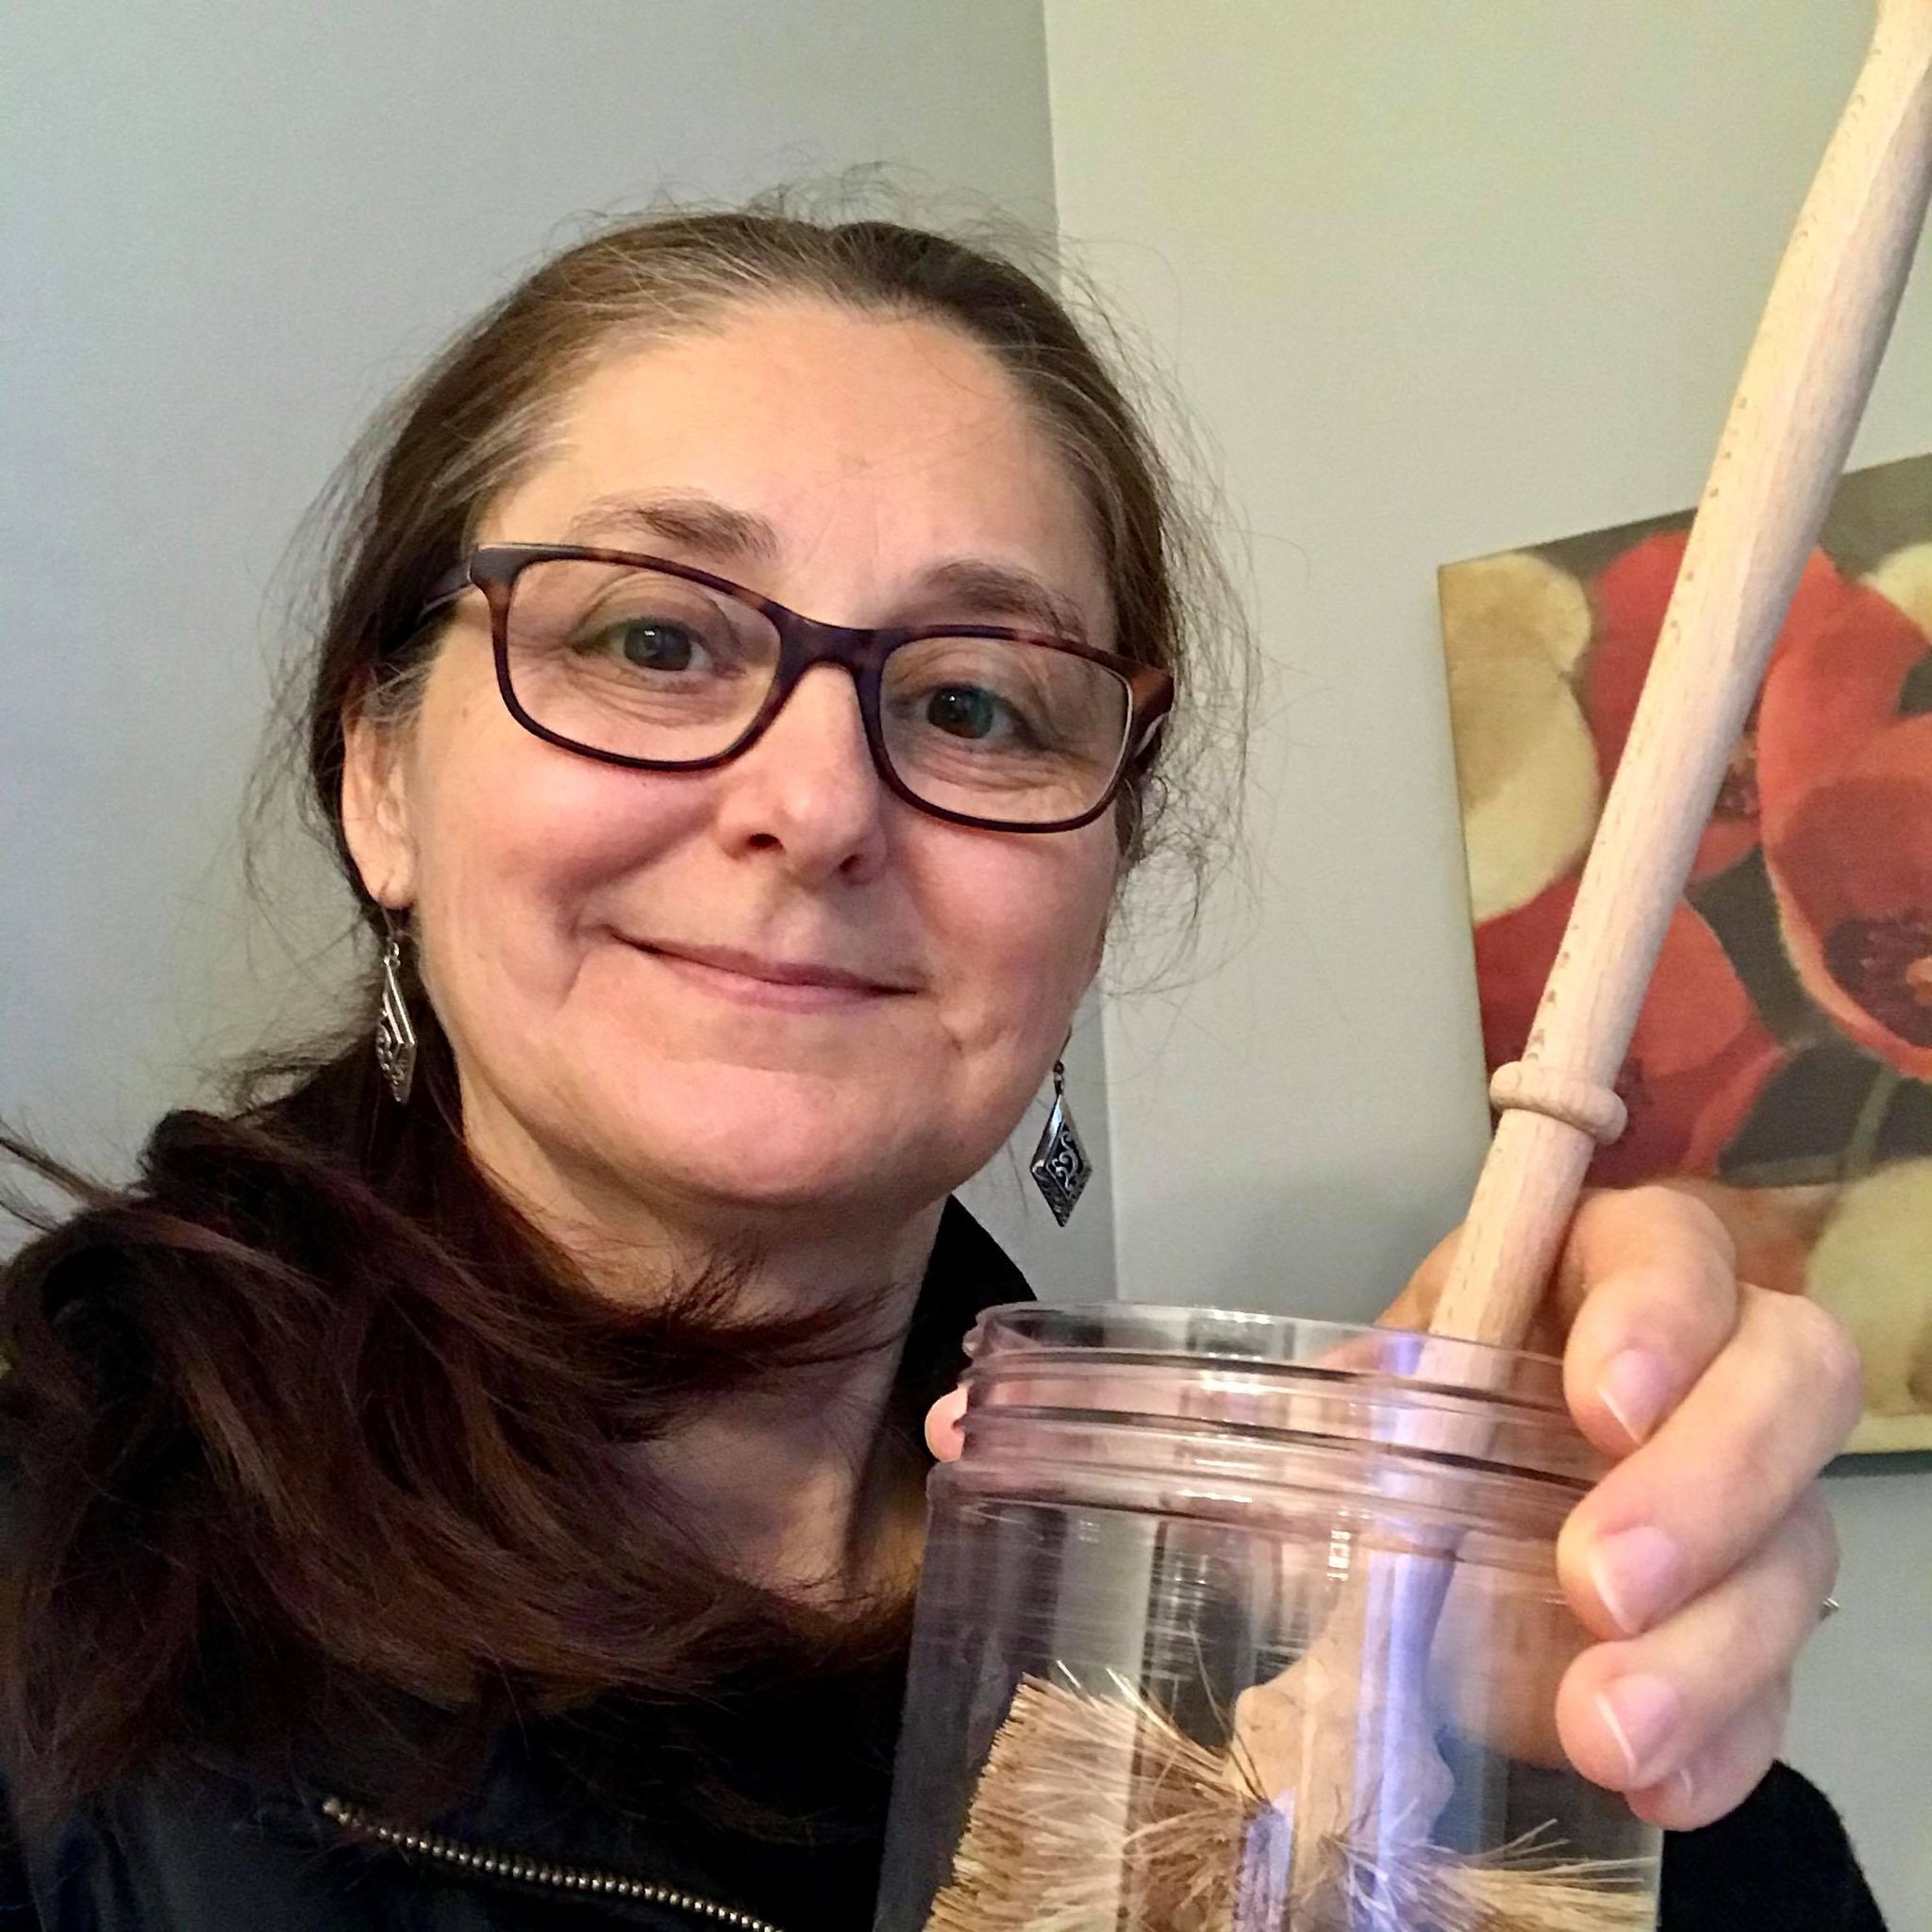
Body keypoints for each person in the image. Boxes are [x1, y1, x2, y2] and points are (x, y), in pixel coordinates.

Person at [0, 207, 1883, 1930]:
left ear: (1101, 871)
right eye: (654, 637)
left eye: (975, 701)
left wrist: (1544, 1782)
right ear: (380, 776)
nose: (818, 805)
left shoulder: (1238, 1647)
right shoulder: (43, 1550)